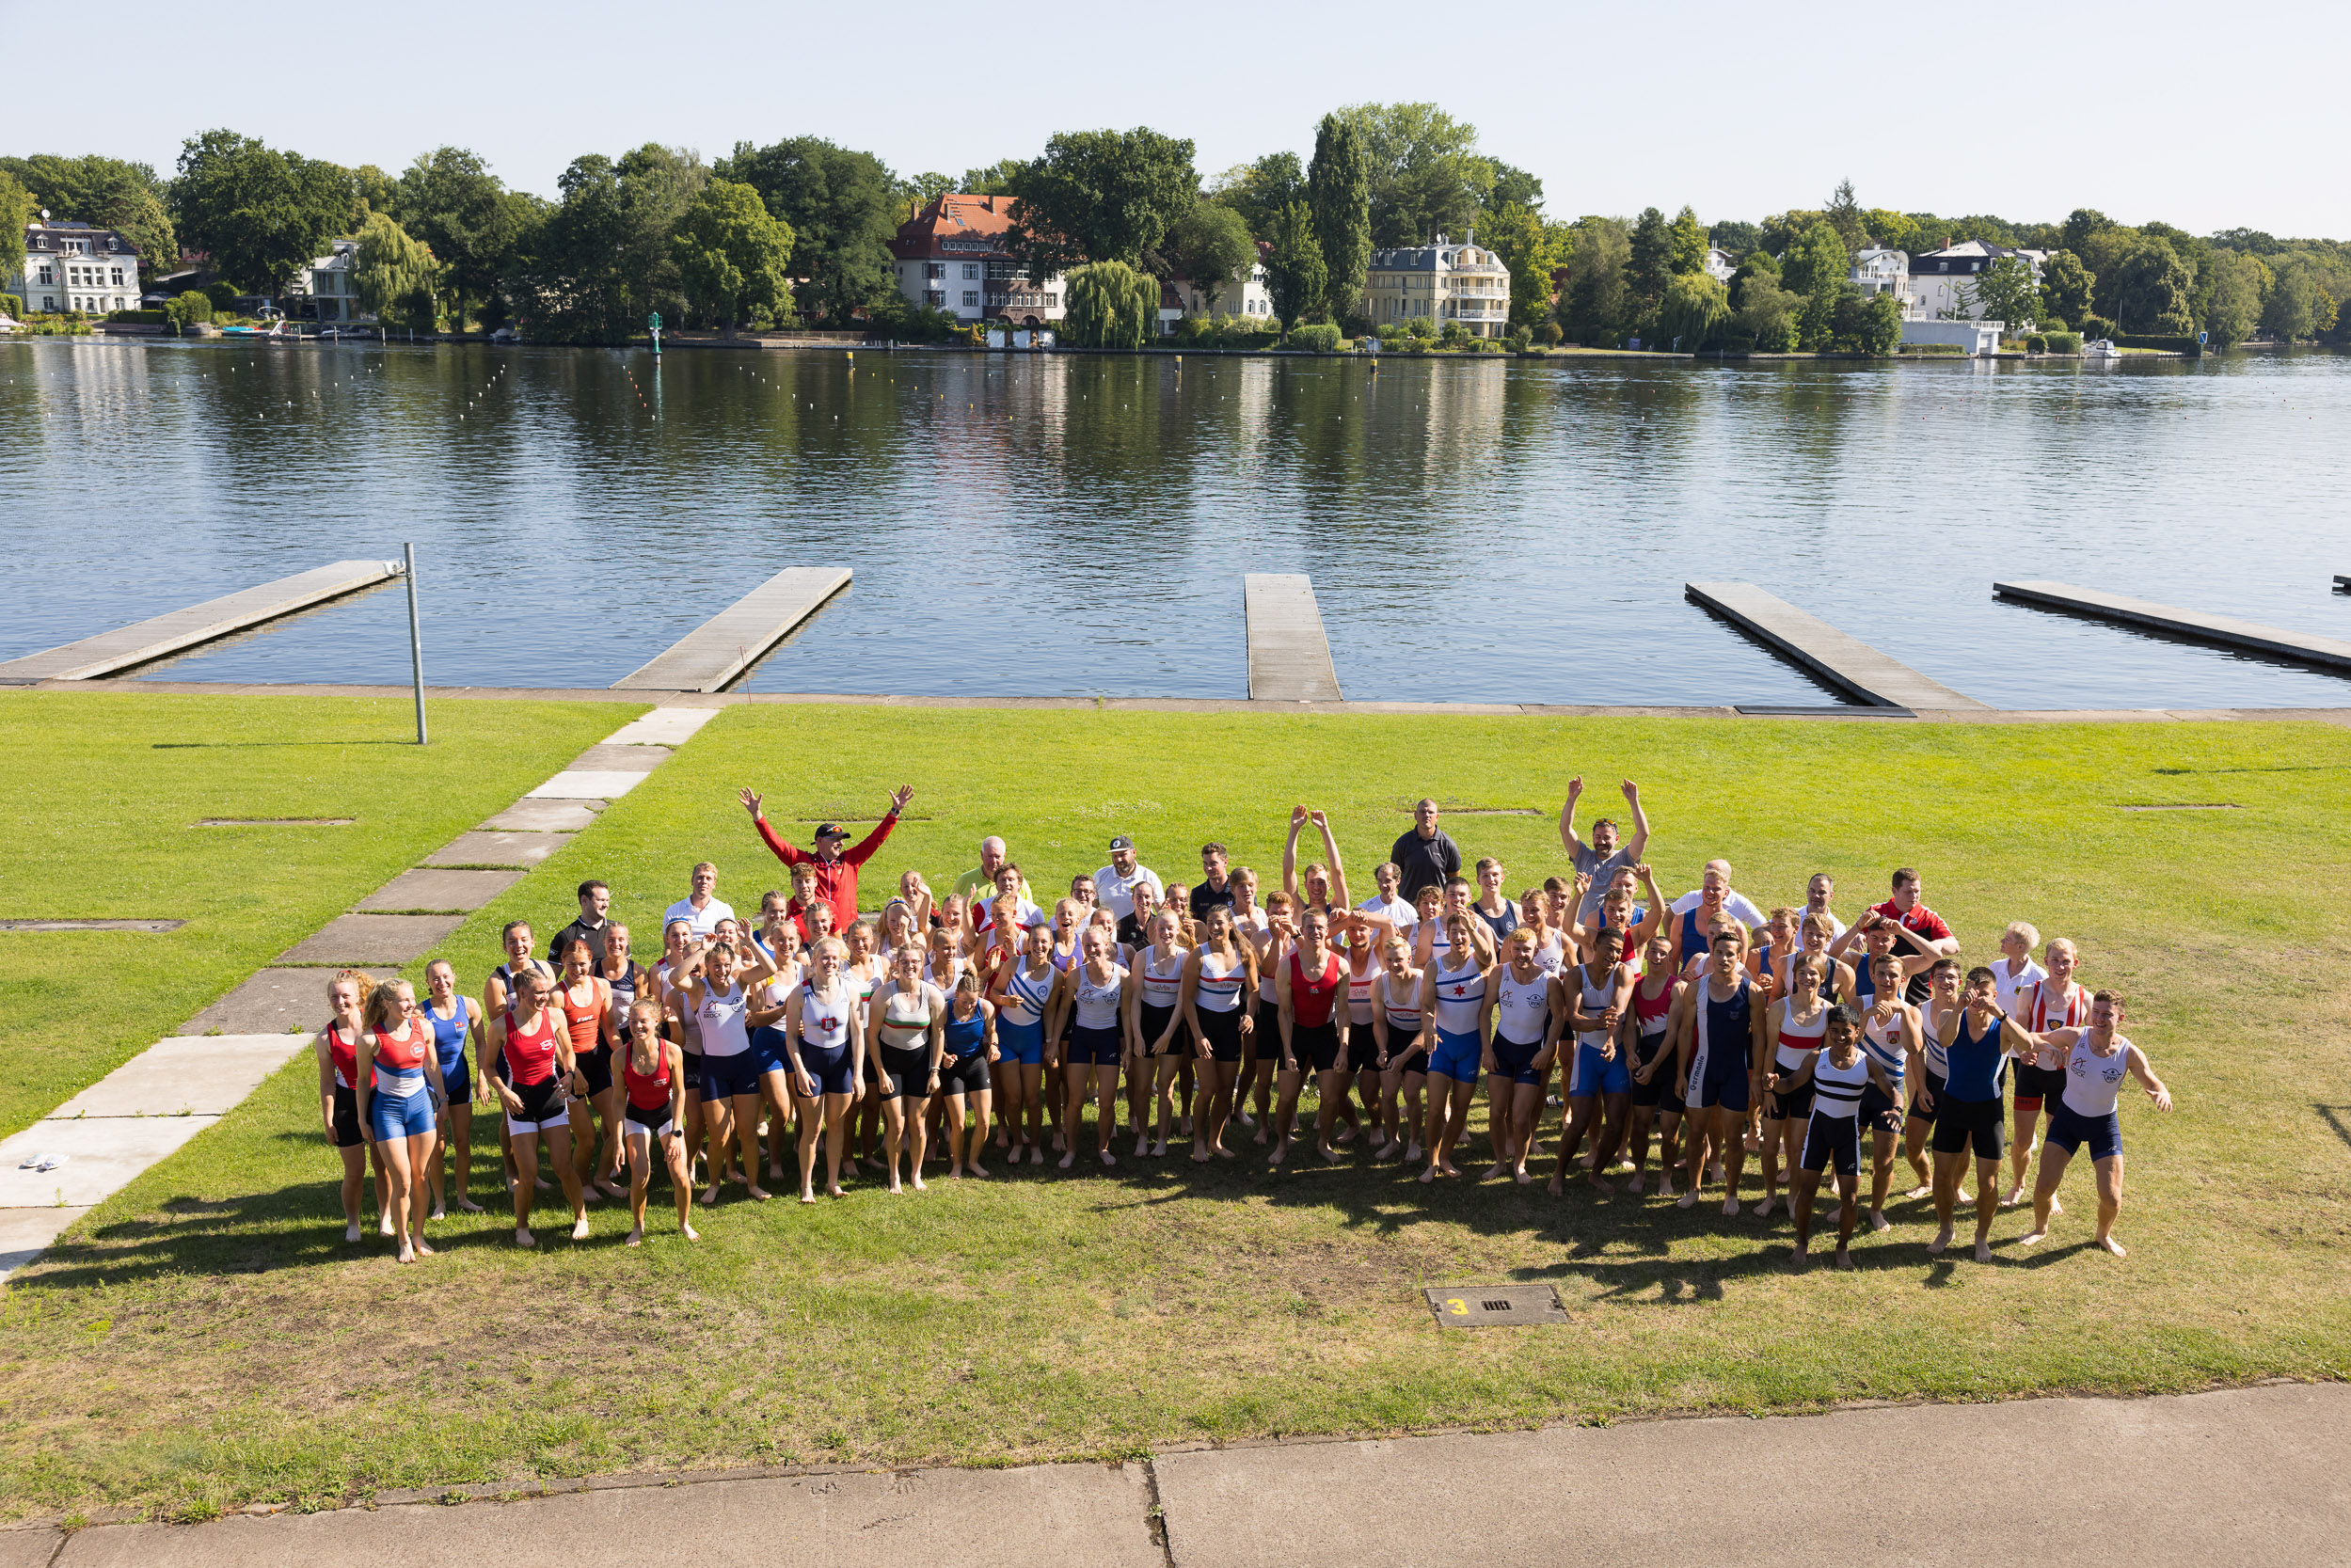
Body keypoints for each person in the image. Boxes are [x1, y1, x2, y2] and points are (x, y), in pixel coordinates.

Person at [2012, 990, 2173, 1257]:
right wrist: (2047, 1047)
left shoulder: (2128, 1053)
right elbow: (2031, 1038)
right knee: (2044, 1187)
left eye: (2107, 1014)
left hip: (2103, 1126)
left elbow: (2152, 1082)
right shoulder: (2076, 1036)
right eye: (2096, 1012)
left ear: (2120, 1017)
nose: (2099, 1018)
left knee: (2111, 1197)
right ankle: (2040, 1229)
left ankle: (2103, 1235)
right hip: (2067, 1119)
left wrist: (2162, 1093)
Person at [1768, 1006, 1898, 1272]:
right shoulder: (1816, 1059)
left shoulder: (1867, 1063)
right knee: (1807, 1193)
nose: (1839, 1037)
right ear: (1828, 1031)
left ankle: (1842, 1247)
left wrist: (1897, 1109)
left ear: (1857, 1032)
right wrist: (1774, 1084)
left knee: (1849, 1199)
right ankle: (1802, 1242)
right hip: (1818, 1133)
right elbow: (1791, 1084)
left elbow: (1891, 1088)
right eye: (1834, 1031)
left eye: (1846, 1032)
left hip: (1846, 1136)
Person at [1925, 963, 2030, 1263]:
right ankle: (1946, 1230)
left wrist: (2001, 1013)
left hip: (1988, 1111)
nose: (1977, 1000)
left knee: (1988, 1182)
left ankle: (1981, 1236)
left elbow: (2028, 1044)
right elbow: (1945, 1040)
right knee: (1942, 1174)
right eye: (1972, 993)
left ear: (1994, 995)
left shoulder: (2002, 1026)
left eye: (1983, 994)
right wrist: (1959, 1008)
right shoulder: (1950, 1016)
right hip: (1953, 1105)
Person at [673, 933, 780, 1206]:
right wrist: (701, 951)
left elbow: (770, 969)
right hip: (714, 1068)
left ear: (731, 964)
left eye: (725, 964)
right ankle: (713, 1184)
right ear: (708, 965)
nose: (721, 971)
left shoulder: (739, 981)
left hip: (743, 1064)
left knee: (747, 1132)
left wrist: (750, 942)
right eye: (715, 965)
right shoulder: (698, 988)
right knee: (719, 1135)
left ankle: (753, 1184)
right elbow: (675, 978)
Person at [485, 968, 588, 1246]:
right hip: (520, 1103)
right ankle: (522, 1226)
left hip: (552, 1098)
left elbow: (568, 1051)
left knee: (562, 1167)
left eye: (546, 991)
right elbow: (488, 1065)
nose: (545, 997)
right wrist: (503, 1091)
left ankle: (581, 1216)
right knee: (527, 1174)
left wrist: (568, 1073)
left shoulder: (554, 1017)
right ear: (521, 994)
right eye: (539, 993)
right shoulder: (499, 1027)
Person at [1673, 922, 1763, 1215]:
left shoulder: (1753, 992)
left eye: (1731, 954)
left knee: (1734, 1137)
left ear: (1740, 958)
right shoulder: (1696, 989)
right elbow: (1685, 1032)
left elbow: (1760, 1039)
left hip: (1736, 1072)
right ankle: (1694, 1189)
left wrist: (1757, 1076)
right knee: (1696, 1132)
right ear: (1711, 953)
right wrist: (1681, 1074)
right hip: (1702, 1070)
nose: (1724, 958)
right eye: (1719, 952)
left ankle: (1731, 1194)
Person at [740, 784, 914, 931]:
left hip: (847, 932)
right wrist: (758, 816)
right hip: (814, 932)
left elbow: (875, 840)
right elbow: (777, 844)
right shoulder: (805, 862)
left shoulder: (851, 860)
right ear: (819, 841)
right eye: (835, 839)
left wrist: (895, 811)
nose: (840, 843)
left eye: (841, 840)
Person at [354, 977, 444, 1263]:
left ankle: (418, 1235)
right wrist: (361, 1119)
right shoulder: (370, 1039)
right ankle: (403, 1239)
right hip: (388, 1112)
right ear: (386, 1004)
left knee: (420, 1177)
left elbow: (432, 1067)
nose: (410, 1004)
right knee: (402, 1182)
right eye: (403, 1000)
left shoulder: (424, 1028)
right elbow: (362, 1080)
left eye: (411, 998)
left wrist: (443, 1101)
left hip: (420, 1110)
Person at [1552, 922, 1634, 1195]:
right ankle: (1558, 1175)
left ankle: (1596, 1174)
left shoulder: (1624, 973)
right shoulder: (1576, 975)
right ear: (1594, 947)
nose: (1614, 955)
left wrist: (1611, 1037)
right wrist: (1599, 1026)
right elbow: (1573, 1019)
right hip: (1587, 1054)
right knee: (1579, 1122)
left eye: (1619, 951)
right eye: (1609, 949)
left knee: (1616, 1123)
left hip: (1615, 1054)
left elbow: (1618, 1010)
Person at [782, 935, 866, 1202]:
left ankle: (832, 1181)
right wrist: (800, 1070)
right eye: (824, 958)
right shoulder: (800, 993)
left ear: (840, 961)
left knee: (837, 1125)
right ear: (814, 961)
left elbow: (858, 1035)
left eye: (834, 958)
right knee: (812, 1129)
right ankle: (806, 1185)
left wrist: (858, 1073)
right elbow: (791, 1037)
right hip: (812, 1065)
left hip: (841, 1066)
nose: (829, 962)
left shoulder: (850, 991)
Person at [1754, 953, 1833, 1218]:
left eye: (1813, 974)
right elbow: (1769, 1049)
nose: (1807, 978)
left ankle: (1793, 1197)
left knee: (1797, 1148)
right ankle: (1770, 1196)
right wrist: (1766, 1090)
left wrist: (1819, 1092)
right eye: (1802, 973)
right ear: (1794, 977)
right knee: (1770, 1147)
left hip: (1808, 1085)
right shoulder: (1779, 1008)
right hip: (1777, 1080)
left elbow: (1828, 1058)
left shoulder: (1829, 1012)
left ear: (1822, 979)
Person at [2007, 935, 2084, 1206]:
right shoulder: (2030, 992)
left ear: (2075, 963)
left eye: (2066, 962)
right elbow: (2018, 1032)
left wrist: (2073, 1053)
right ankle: (2018, 1184)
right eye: (2055, 961)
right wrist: (2025, 1051)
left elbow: (2089, 1042)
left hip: (2063, 1080)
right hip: (2031, 1074)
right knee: (2022, 1140)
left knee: (2055, 1144)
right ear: (2046, 962)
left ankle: (2050, 1192)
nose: (2060, 967)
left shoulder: (2085, 999)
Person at [1480, 926, 1559, 1184]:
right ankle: (1500, 1162)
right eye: (1517, 949)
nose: (1522, 954)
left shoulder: (1549, 980)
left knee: (1521, 1116)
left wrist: (1547, 1049)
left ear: (1535, 951)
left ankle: (1520, 1165)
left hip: (1531, 1053)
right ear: (1509, 950)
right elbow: (1484, 1013)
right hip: (1502, 1049)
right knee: (1496, 1112)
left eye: (1527, 950)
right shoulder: (1499, 973)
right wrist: (1487, 1050)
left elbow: (1559, 1017)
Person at [1271, 905, 1348, 1166]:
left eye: (1319, 928)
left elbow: (1345, 1012)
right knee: (1286, 1096)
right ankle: (1282, 1143)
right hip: (1296, 1034)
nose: (1315, 932)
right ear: (1300, 931)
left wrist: (1344, 1047)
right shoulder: (1287, 965)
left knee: (1330, 1097)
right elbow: (1283, 1012)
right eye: (1309, 928)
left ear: (1327, 932)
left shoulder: (1340, 965)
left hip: (1326, 1035)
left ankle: (1323, 1142)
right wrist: (1288, 1050)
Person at [616, 997, 696, 1244]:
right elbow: (619, 1100)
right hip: (636, 1115)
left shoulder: (672, 1051)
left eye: (643, 1021)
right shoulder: (620, 1057)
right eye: (633, 1022)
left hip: (665, 1114)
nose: (637, 1026)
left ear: (656, 1021)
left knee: (680, 1175)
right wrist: (618, 1139)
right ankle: (637, 1227)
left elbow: (680, 1092)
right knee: (640, 1175)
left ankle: (684, 1223)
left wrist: (676, 1132)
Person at [867, 943, 946, 1193]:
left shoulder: (932, 995)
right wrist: (880, 1073)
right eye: (905, 962)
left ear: (921, 964)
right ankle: (894, 1177)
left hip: (920, 1063)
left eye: (915, 962)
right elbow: (872, 1036)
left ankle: (916, 1174)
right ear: (897, 965)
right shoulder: (884, 995)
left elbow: (938, 1034)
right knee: (897, 1125)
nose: (910, 966)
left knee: (917, 1123)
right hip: (890, 1064)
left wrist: (935, 1070)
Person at [1857, 953, 1929, 1229]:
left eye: (1893, 975)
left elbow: (1914, 1049)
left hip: (1889, 1094)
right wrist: (1865, 1017)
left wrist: (1902, 1013)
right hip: (1857, 1089)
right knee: (1844, 1153)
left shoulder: (1911, 1011)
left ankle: (1876, 1210)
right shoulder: (1859, 1003)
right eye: (1881, 974)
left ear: (1903, 979)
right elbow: (1844, 1041)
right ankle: (1845, 1205)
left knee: (1884, 1161)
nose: (1887, 980)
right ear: (1872, 976)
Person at [1182, 905, 1256, 1162]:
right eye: (1210, 922)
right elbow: (1187, 1000)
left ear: (1230, 924)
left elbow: (1254, 991)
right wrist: (1198, 1035)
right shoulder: (1198, 956)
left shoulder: (1244, 954)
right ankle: (1199, 1141)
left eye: (1219, 923)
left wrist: (1249, 1014)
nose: (1214, 927)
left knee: (1226, 1090)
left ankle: (1215, 1141)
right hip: (1203, 1026)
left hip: (1230, 1027)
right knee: (1208, 1089)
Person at [1417, 912, 1487, 1182]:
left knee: (1460, 1109)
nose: (1459, 937)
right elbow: (1425, 1005)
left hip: (1471, 1046)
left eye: (1464, 932)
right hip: (1443, 1045)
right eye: (1454, 932)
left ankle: (1445, 1156)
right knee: (1434, 1109)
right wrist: (1429, 1026)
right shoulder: (1435, 967)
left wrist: (1473, 926)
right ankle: (1432, 1160)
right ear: (1446, 935)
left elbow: (1489, 958)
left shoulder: (1479, 961)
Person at [551, 937, 619, 1208]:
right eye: (571, 965)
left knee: (618, 1126)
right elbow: (553, 1040)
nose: (577, 970)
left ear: (591, 963)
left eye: (582, 964)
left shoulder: (601, 985)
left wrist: (623, 1055)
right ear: (563, 964)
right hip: (566, 1069)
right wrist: (572, 1071)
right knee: (587, 1138)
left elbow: (610, 1028)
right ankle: (582, 1181)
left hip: (595, 1061)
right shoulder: (557, 994)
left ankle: (602, 1177)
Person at [1056, 927, 1129, 1169]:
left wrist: (1127, 1046)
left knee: (1107, 1101)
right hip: (1082, 1038)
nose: (1091, 949)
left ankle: (1103, 1147)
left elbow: (1127, 1014)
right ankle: (1071, 1149)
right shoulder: (1076, 976)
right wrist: (1054, 1041)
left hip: (1108, 1038)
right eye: (1087, 945)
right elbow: (1064, 1010)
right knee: (1075, 1100)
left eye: (1095, 945)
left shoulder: (1123, 976)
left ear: (1107, 944)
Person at [986, 919, 1056, 1166]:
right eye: (1034, 941)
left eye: (1043, 941)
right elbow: (994, 992)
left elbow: (1048, 1012)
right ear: (1027, 943)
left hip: (1032, 1041)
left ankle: (1035, 1146)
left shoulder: (1055, 976)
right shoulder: (1014, 963)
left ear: (1050, 945)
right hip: (1006, 1039)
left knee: (1033, 1098)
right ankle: (1017, 1142)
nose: (1038, 945)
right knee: (1013, 1098)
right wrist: (1005, 1001)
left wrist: (1050, 1042)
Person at [314, 972, 377, 1243]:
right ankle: (353, 1223)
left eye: (345, 996)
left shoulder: (374, 1023)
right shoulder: (326, 1038)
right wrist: (328, 1120)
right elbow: (328, 1082)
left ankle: (386, 1217)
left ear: (358, 997)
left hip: (378, 1098)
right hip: (346, 1103)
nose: (340, 1001)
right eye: (334, 997)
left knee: (383, 1164)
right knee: (354, 1171)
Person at [419, 959, 484, 1217]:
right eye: (435, 979)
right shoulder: (421, 1012)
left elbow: (481, 1043)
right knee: (438, 1145)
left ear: (454, 977)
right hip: (432, 1085)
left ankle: (462, 1196)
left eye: (446, 977)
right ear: (427, 983)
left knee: (462, 1141)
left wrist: (482, 1076)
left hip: (459, 1080)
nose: (441, 983)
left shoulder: (468, 1005)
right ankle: (439, 1203)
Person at [1623, 931, 1685, 1196]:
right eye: (1653, 951)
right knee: (1640, 1124)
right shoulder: (1636, 987)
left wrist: (1653, 1066)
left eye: (1663, 953)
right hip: (1645, 1057)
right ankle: (1639, 1172)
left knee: (1670, 1129)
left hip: (1669, 1063)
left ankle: (1666, 1176)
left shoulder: (1677, 988)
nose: (1657, 957)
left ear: (1670, 958)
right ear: (1645, 954)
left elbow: (1672, 1033)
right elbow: (1629, 1026)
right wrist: (1629, 1052)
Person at [1131, 907, 1191, 1158]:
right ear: (1154, 930)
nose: (1166, 932)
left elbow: (1182, 1001)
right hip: (1145, 1024)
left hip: (1172, 1027)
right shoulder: (1142, 957)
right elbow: (1134, 999)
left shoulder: (1186, 958)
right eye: (1161, 928)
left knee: (1166, 1086)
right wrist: (1137, 1036)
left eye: (1170, 928)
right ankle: (1143, 1136)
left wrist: (1168, 1034)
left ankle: (1162, 1139)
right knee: (1143, 1086)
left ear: (1178, 930)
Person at [1560, 777, 1650, 926]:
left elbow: (1643, 834)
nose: (1601, 842)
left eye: (1607, 837)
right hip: (1584, 932)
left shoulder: (1625, 858)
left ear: (1617, 839)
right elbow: (1565, 829)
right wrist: (1571, 799)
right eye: (1598, 837)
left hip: (1615, 928)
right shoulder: (1583, 856)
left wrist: (1634, 801)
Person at [935, 971, 998, 1179]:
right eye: (964, 1001)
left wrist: (994, 1046)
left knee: (984, 1122)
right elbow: (935, 1039)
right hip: (952, 1066)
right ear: (956, 993)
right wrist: (944, 1056)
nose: (969, 1006)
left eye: (973, 1002)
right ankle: (957, 1164)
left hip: (977, 1064)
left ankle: (973, 1161)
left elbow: (992, 1032)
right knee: (959, 1123)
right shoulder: (945, 1009)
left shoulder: (985, 1007)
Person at [1373, 936, 1426, 1164]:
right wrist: (1383, 1050)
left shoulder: (1423, 982)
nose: (1393, 965)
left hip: (1421, 1040)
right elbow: (1379, 1023)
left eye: (1399, 960)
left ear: (1410, 958)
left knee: (1411, 1093)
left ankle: (1414, 1141)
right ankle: (1393, 1140)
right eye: (1389, 960)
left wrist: (1404, 1057)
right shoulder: (1379, 983)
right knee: (1388, 1094)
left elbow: (1429, 1027)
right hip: (1394, 1037)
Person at [1666, 863, 1765, 975]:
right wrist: (1673, 988)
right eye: (1707, 887)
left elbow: (1740, 970)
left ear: (1725, 892)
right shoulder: (1681, 920)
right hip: (1688, 985)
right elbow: (1672, 961)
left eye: (1716, 889)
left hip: (1722, 989)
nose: (1710, 892)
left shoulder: (1737, 928)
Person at [1390, 798, 1461, 905]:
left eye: (1431, 812)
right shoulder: (1402, 844)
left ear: (1436, 817)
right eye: (1422, 812)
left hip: (1436, 909)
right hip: (1408, 908)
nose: (1427, 815)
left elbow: (1454, 880)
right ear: (1415, 815)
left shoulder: (1448, 845)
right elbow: (1394, 876)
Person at [1093, 834, 1163, 924]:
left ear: (1134, 853)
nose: (1118, 859)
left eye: (1122, 855)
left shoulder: (1149, 877)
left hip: (1139, 933)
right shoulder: (1100, 876)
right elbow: (1092, 909)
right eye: (1115, 856)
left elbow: (1161, 911)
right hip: (1108, 932)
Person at [662, 861, 734, 939]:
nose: (704, 882)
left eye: (708, 879)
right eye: (700, 877)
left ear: (714, 884)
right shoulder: (674, 911)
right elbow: (668, 947)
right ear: (692, 881)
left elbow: (730, 944)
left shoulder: (724, 910)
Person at [1469, 858, 1519, 946]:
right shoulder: (1471, 913)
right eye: (1485, 875)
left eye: (1495, 874)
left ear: (1502, 878)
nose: (1491, 879)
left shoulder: (1516, 910)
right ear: (1478, 880)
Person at [1191, 842, 1237, 921]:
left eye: (1213, 864)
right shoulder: (1197, 893)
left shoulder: (1239, 890)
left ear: (1225, 862)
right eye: (1205, 864)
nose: (1208, 868)